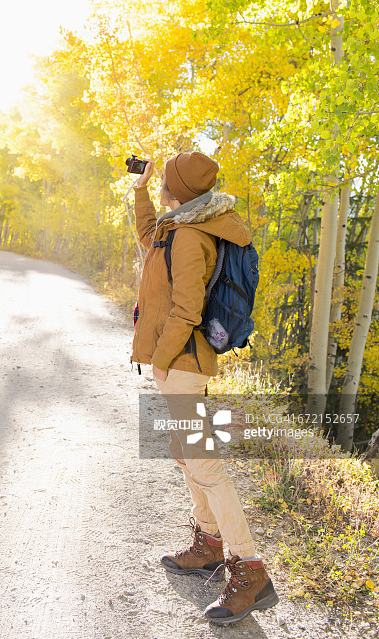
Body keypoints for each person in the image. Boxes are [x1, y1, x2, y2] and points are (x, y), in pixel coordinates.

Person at [131, 151, 279, 626]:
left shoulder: (191, 237)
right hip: (178, 363)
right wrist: (139, 190)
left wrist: (160, 360)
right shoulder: (175, 229)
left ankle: (250, 570)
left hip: (182, 363)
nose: (159, 186)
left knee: (205, 465)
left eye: (162, 181)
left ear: (177, 190)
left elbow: (187, 310)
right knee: (186, 454)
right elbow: (147, 237)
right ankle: (210, 543)